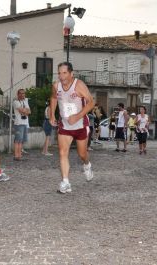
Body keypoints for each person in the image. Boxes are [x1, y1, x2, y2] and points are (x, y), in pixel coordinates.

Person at [49, 62, 94, 194]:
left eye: (64, 73)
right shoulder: (56, 86)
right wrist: (52, 114)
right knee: (63, 153)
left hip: (80, 125)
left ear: (71, 73)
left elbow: (91, 102)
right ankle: (66, 182)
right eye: (59, 73)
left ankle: (87, 165)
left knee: (82, 154)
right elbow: (53, 98)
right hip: (65, 125)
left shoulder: (79, 85)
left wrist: (78, 116)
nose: (61, 76)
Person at [13, 89, 31, 161]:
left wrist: (25, 111)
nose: (22, 95)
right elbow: (22, 110)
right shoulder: (16, 102)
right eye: (20, 93)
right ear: (18, 94)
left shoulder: (25, 101)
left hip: (25, 123)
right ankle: (16, 155)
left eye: (23, 93)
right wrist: (25, 111)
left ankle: (19, 155)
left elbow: (29, 112)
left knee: (21, 140)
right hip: (19, 123)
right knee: (17, 140)